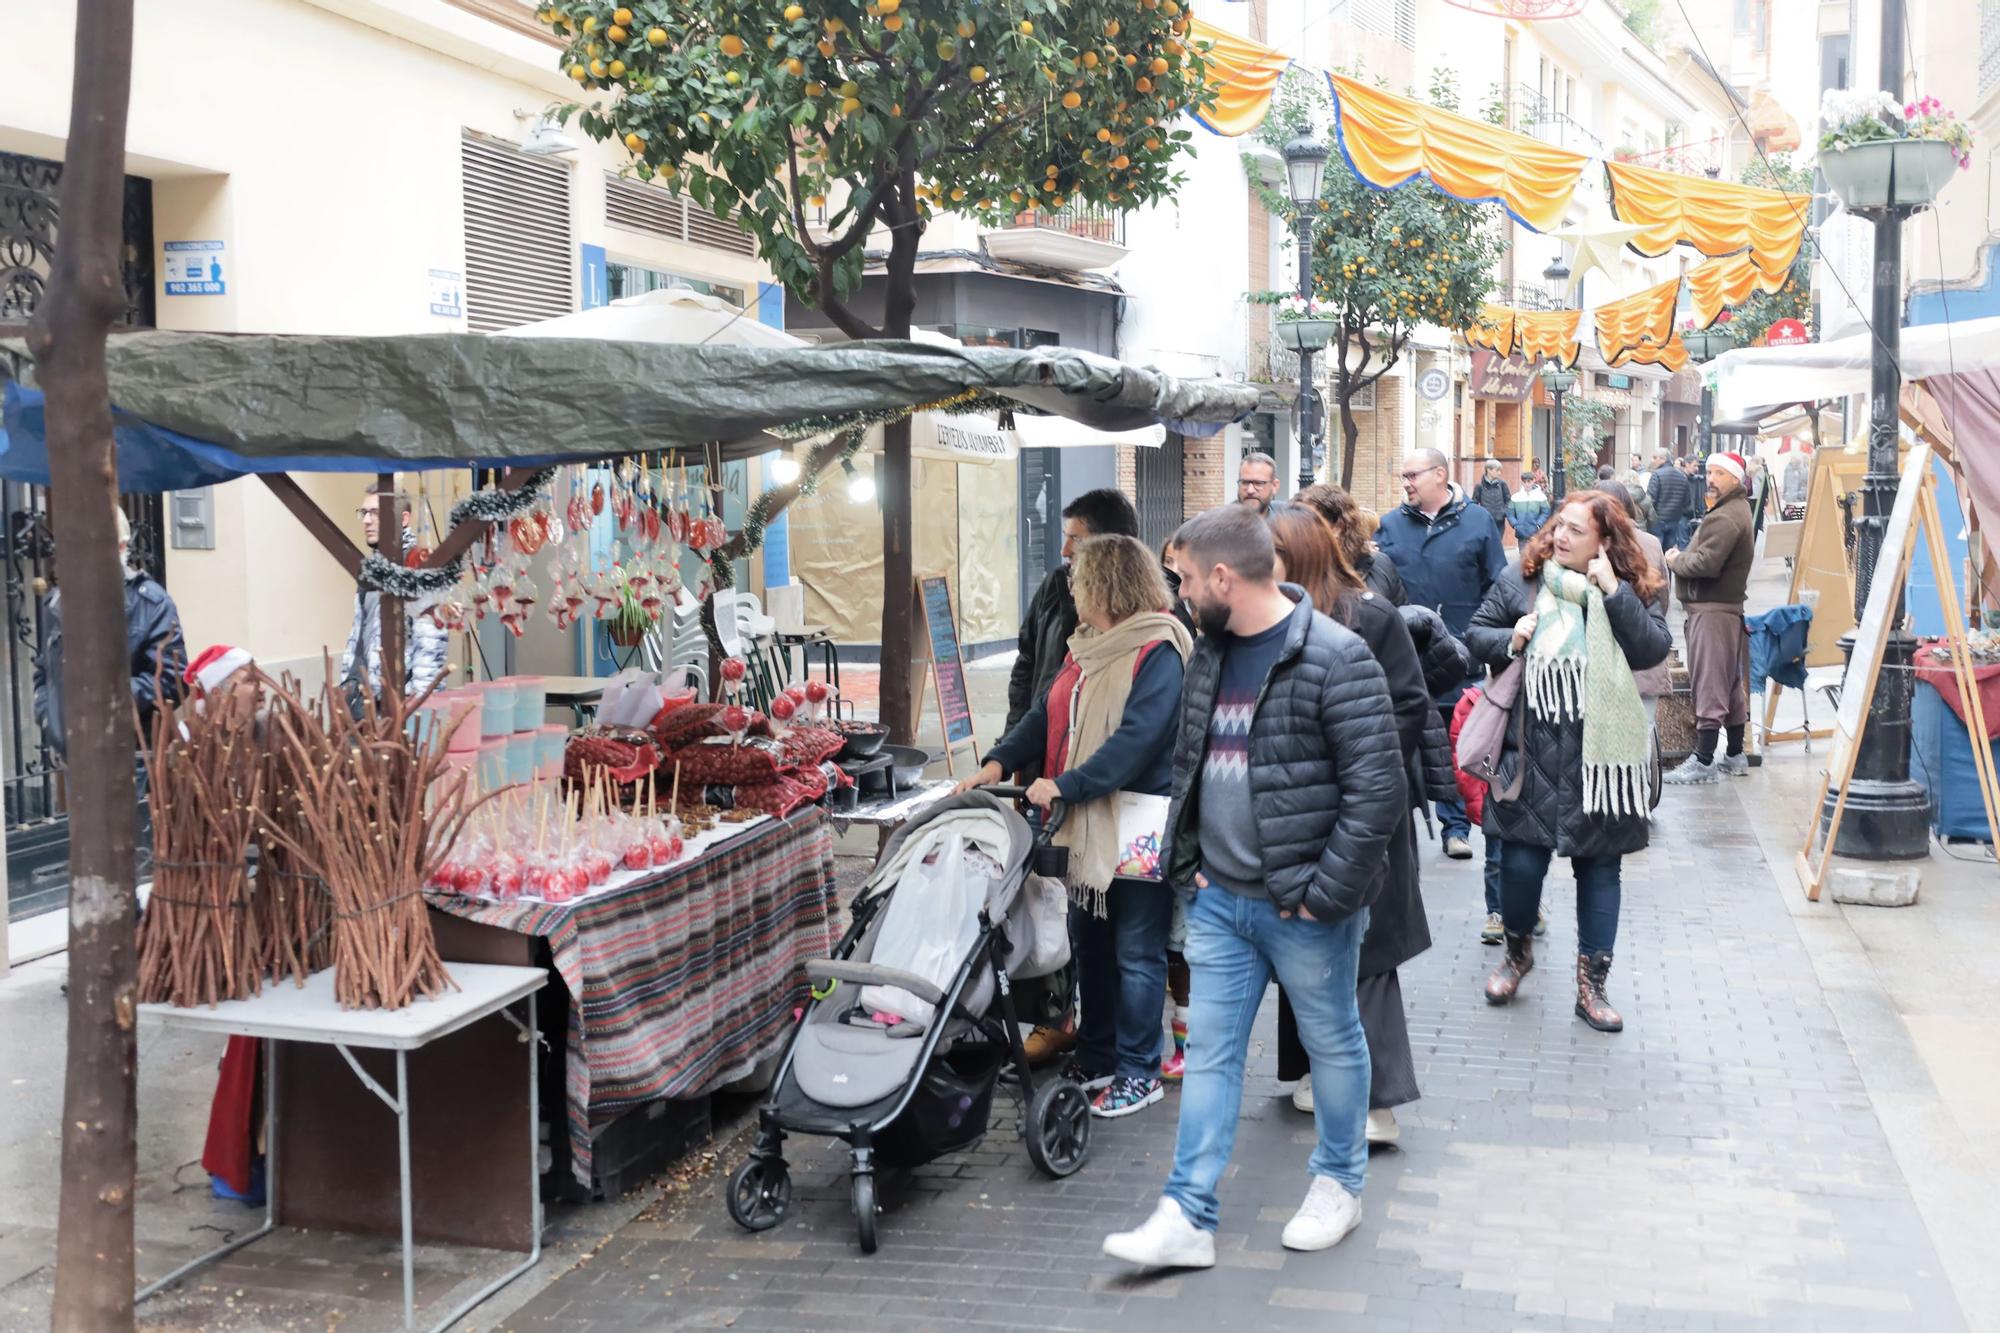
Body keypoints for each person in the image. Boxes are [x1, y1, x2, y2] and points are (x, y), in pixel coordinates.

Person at [1101, 504, 1404, 1269]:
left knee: (1332, 1040)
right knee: (1209, 1054)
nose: (1178, 593)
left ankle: (1339, 1183)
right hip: (1221, 902)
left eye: (1184, 579)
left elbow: (1377, 795)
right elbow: (1192, 761)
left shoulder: (1338, 655)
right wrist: (1190, 862)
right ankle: (1187, 1213)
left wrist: (1322, 895)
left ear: (1222, 578)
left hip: (1305, 909)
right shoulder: (1209, 651)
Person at [960, 534, 1192, 1118]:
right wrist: (997, 763)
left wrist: (1067, 784)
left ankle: (1139, 1071)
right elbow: (1045, 714)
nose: (1070, 588)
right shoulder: (1084, 646)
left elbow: (1139, 740)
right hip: (1086, 828)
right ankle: (1098, 1054)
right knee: (1090, 944)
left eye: (1078, 578)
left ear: (1107, 585)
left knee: (1136, 951)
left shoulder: (1159, 649)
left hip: (1139, 823)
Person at [1464, 490, 1672, 1033]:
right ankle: (1516, 954)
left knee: (1600, 871)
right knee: (1519, 868)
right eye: (1560, 525)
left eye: (1576, 530)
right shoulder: (1524, 577)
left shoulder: (1630, 584)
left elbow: (1652, 649)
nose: (1560, 536)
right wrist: (1511, 637)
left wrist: (1613, 593)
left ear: (1605, 541)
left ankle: (1591, 987)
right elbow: (1475, 634)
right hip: (1529, 751)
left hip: (1603, 763)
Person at [1264, 504, 1433, 1148]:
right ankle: (1314, 1069)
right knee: (1301, 942)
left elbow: (1409, 705)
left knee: (1369, 955)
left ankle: (1377, 1102)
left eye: (1269, 553)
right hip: (1294, 811)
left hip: (1363, 810)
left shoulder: (1371, 615)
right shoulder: (1268, 616)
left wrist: (1359, 769)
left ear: (1298, 556)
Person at [1004, 487, 1140, 1066]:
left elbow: (1137, 734)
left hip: (1113, 796)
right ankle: (1059, 1016)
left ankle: (1123, 1044)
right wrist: (1008, 752)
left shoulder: (1148, 624)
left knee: (1118, 927)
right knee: (1054, 902)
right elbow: (1029, 671)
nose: (1064, 551)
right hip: (1047, 774)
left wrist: (1073, 779)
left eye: (1075, 540)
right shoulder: (1056, 592)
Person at [1374, 448, 1504, 860]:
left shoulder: (1478, 521)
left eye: (1413, 475)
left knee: (1455, 741)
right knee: (1404, 743)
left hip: (1460, 656)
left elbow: (1497, 587)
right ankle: (1398, 831)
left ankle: (1456, 828)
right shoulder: (1390, 526)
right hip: (1405, 657)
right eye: (1404, 476)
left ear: (1440, 475)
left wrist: (1484, 639)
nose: (1406, 483)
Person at [33, 507, 188, 797]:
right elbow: (43, 671)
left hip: (132, 759)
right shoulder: (56, 604)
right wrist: (47, 714)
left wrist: (108, 701)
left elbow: (173, 680)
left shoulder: (151, 603)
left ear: (120, 546)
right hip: (74, 756)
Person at [1662, 453, 1758, 784]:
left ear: (1736, 478)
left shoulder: (1725, 516)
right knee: (1728, 682)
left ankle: (1704, 760)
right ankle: (1734, 754)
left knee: (1710, 682)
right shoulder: (1735, 509)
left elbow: (1705, 563)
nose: (1711, 479)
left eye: (1719, 473)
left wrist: (1675, 560)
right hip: (1724, 608)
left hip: (1712, 610)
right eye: (1709, 472)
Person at [342, 485, 449, 703]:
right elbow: (358, 637)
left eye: (375, 513)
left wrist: (421, 704)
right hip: (364, 700)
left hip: (402, 702)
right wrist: (347, 684)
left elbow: (429, 643)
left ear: (404, 519)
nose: (367, 520)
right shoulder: (371, 571)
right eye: (364, 513)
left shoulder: (418, 566)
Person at [1297, 482, 1403, 604]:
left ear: (1338, 527)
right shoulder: (1292, 569)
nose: (1300, 531)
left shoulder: (1379, 565)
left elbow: (1399, 610)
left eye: (1308, 523)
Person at [1646, 449, 1694, 551]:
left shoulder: (1656, 475)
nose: (1652, 460)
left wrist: (1648, 518)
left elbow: (1650, 500)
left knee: (1655, 551)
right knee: (1668, 552)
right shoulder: (1682, 476)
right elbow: (1686, 502)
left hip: (1657, 521)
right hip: (1674, 520)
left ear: (1663, 459)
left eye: (1654, 457)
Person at [1507, 467, 1551, 546]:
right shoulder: (1515, 497)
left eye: (1529, 481)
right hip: (1521, 532)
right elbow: (1510, 514)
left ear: (1533, 481)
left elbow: (1546, 512)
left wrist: (1538, 524)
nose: (1527, 484)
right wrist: (1515, 525)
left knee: (1534, 552)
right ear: (1522, 482)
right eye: (1525, 482)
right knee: (1522, 552)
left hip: (1536, 532)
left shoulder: (1541, 497)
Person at [1470, 458, 1510, 532]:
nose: (1499, 473)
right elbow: (1474, 503)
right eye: (1497, 470)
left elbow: (1508, 501)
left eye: (1500, 470)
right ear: (1488, 470)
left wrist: (1503, 513)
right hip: (1485, 521)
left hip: (1499, 522)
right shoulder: (1479, 486)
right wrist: (1480, 515)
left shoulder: (1502, 484)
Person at [1236, 450, 1281, 515]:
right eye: (1245, 482)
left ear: (1274, 486)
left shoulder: (1287, 518)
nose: (1250, 490)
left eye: (1258, 483)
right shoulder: (1223, 519)